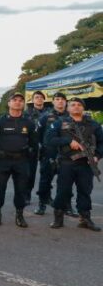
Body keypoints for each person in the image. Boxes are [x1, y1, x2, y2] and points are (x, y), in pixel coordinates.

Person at [45, 97, 103, 231]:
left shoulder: (93, 124)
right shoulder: (59, 123)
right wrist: (68, 141)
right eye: (73, 105)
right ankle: (58, 218)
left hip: (86, 164)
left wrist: (97, 156)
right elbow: (49, 139)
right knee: (63, 191)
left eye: (79, 105)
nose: (76, 106)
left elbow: (101, 142)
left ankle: (85, 218)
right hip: (66, 163)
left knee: (85, 191)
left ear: (83, 108)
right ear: (68, 108)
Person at [0, 92, 38, 228]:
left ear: (23, 104)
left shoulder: (29, 123)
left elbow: (34, 142)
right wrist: (1, 147)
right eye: (14, 100)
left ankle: (19, 216)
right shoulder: (0, 121)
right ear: (9, 103)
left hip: (21, 161)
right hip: (3, 161)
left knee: (21, 190)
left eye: (21, 100)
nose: (18, 102)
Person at [35, 92, 69, 216]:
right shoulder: (45, 117)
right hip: (49, 154)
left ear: (66, 102)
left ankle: (67, 205)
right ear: (53, 101)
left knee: (66, 181)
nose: (60, 101)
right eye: (57, 99)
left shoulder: (71, 116)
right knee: (45, 180)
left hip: (66, 154)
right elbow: (37, 135)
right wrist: (44, 148)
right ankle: (42, 204)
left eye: (62, 99)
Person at [25, 91, 48, 205]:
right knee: (30, 173)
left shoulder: (49, 113)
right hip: (32, 146)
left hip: (46, 146)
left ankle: (45, 197)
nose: (39, 99)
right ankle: (27, 195)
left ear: (44, 99)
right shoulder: (27, 113)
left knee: (47, 173)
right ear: (33, 100)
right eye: (36, 97)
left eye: (41, 97)